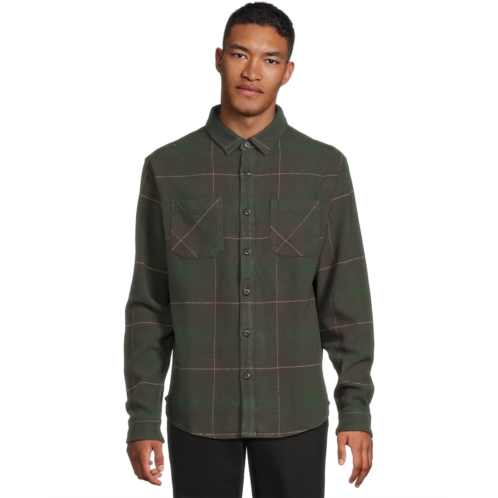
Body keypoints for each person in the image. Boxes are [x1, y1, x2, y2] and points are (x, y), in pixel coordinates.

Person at [123, 2, 375, 497]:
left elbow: (345, 301)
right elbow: (149, 305)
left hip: (295, 412)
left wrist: (356, 409)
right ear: (219, 59)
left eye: (270, 59)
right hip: (198, 415)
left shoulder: (324, 168)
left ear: (288, 71)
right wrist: (142, 417)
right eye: (240, 54)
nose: (253, 72)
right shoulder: (167, 169)